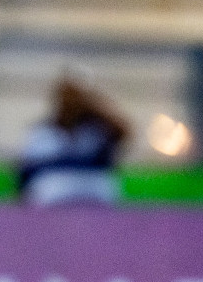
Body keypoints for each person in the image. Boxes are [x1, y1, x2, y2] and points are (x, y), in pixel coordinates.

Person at [17, 73, 131, 206]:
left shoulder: (94, 130)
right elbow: (27, 170)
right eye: (67, 98)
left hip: (91, 182)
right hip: (54, 183)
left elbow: (123, 133)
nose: (71, 102)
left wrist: (95, 107)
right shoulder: (43, 132)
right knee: (43, 192)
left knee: (108, 187)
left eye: (76, 98)